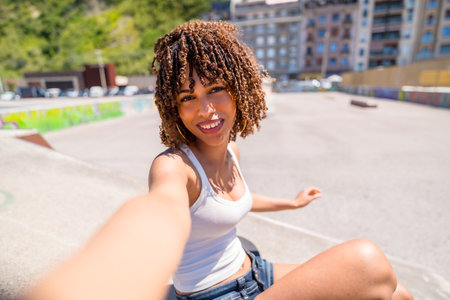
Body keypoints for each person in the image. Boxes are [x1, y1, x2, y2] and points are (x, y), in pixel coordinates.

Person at [26, 20, 413, 300]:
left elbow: (231, 201)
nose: (206, 109)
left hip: (254, 272)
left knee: (400, 293)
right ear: (173, 108)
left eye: (215, 90)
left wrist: (291, 203)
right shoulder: (174, 167)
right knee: (368, 263)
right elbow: (158, 213)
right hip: (214, 295)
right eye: (187, 98)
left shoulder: (231, 151)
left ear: (240, 90)